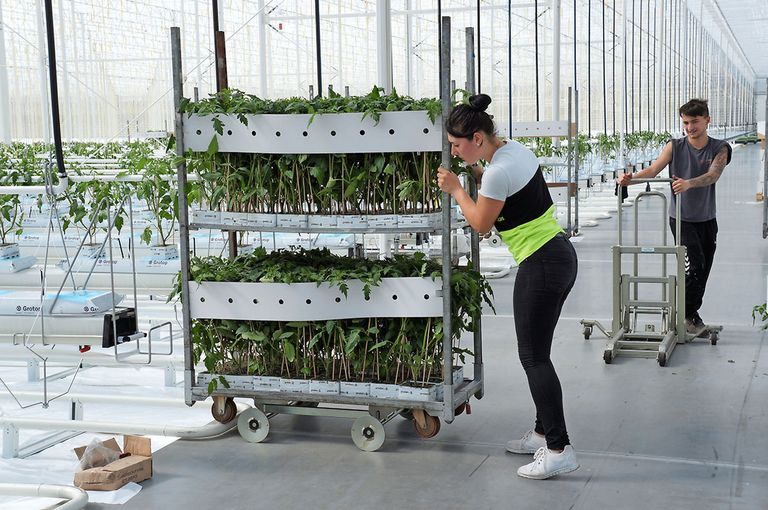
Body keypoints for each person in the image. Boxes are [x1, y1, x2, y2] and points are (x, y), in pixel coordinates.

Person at [436, 94, 579, 480]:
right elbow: (508, 191)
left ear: (477, 138)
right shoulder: (513, 151)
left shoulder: (496, 172)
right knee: (540, 354)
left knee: (533, 358)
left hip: (542, 265)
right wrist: (477, 178)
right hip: (559, 254)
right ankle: (540, 433)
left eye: (456, 144)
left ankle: (558, 448)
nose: (453, 151)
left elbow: (481, 223)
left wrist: (457, 190)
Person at [618, 98, 731, 336]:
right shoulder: (675, 146)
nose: (690, 128)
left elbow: (713, 175)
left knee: (704, 270)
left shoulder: (720, 148)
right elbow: (653, 169)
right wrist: (631, 179)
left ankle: (689, 314)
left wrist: (689, 183)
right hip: (681, 219)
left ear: (707, 120)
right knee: (696, 266)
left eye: (695, 122)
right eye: (686, 123)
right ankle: (687, 315)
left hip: (707, 220)